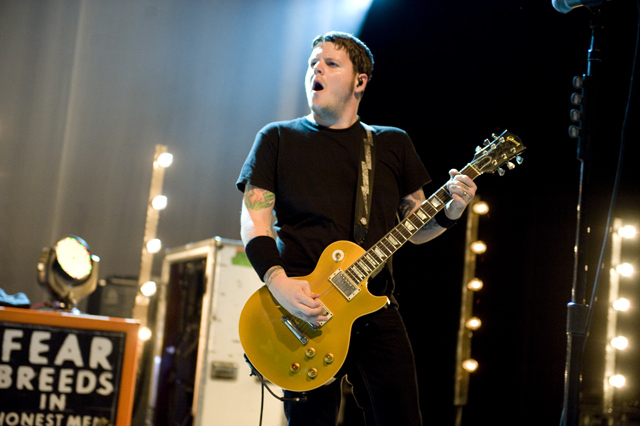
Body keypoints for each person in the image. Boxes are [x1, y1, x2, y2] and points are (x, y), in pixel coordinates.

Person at [236, 31, 477, 426]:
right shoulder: (277, 138)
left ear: (360, 81)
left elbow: (415, 227)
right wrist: (279, 284)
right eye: (313, 63)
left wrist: (451, 210)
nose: (317, 69)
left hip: (373, 306)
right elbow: (254, 220)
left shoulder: (391, 144)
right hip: (303, 309)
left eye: (331, 63)